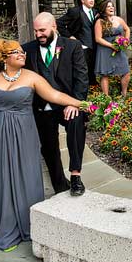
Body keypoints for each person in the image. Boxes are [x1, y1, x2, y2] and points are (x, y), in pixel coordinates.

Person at [0, 39, 88, 252]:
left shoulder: (32, 77)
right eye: (16, 52)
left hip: (23, 132)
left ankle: (25, 220)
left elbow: (56, 95)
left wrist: (84, 103)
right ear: (3, 57)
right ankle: (1, 222)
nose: (23, 54)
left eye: (23, 52)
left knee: (24, 173)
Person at [23, 12, 89, 196]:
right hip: (41, 107)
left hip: (67, 104)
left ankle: (76, 175)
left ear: (54, 27)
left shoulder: (72, 46)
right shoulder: (27, 49)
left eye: (42, 30)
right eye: (35, 31)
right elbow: (7, 64)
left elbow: (81, 78)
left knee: (77, 121)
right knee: (48, 146)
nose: (38, 35)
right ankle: (59, 185)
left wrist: (75, 103)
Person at [57, 0, 98, 86]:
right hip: (81, 45)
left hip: (94, 45)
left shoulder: (96, 12)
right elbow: (59, 23)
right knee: (82, 69)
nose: (92, 0)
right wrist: (70, 37)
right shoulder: (74, 12)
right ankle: (81, 87)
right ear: (82, 1)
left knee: (92, 68)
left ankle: (93, 88)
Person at [93, 0, 131, 97]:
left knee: (125, 71)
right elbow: (98, 38)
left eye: (112, 6)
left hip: (119, 49)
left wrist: (126, 40)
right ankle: (106, 97)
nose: (111, 8)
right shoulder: (100, 21)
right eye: (108, 6)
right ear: (104, 9)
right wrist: (111, 46)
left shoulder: (119, 19)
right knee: (105, 74)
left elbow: (127, 29)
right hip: (105, 49)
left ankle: (124, 94)